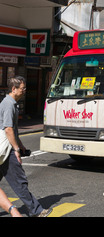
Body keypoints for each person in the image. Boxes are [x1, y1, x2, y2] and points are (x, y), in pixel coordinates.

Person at [0, 76, 52, 217]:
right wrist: (16, 150)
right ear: (13, 89)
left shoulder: (11, 103)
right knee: (19, 181)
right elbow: (8, 129)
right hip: (7, 149)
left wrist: (21, 145)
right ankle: (37, 211)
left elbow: (14, 130)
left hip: (6, 147)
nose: (24, 91)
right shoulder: (9, 104)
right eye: (22, 88)